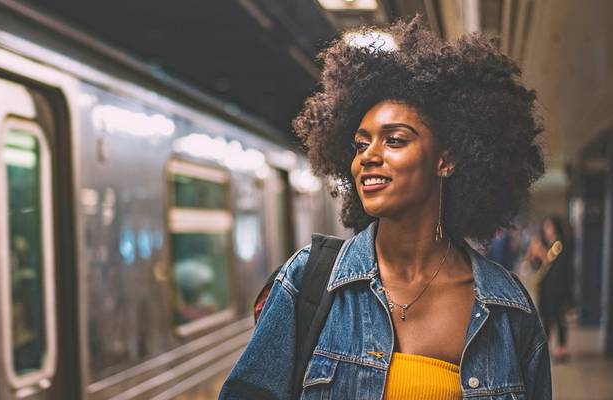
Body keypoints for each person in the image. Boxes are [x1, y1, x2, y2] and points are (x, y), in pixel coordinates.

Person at [219, 17, 550, 400]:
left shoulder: (508, 309)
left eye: (394, 140)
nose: (368, 157)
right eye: (361, 144)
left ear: (447, 160)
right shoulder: (307, 280)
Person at [536, 216, 573, 362]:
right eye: (545, 227)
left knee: (558, 317)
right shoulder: (546, 245)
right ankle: (545, 347)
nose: (547, 230)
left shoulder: (560, 245)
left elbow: (562, 269)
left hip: (558, 288)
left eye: (549, 227)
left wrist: (541, 254)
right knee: (545, 317)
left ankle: (561, 348)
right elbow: (539, 267)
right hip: (546, 288)